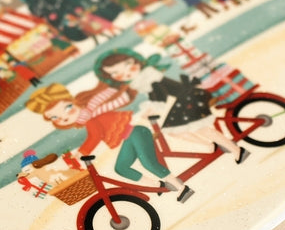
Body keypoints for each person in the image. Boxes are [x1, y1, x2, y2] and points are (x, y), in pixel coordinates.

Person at [25, 83, 193, 201]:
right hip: (129, 138)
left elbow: (95, 136)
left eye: (68, 108)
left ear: (73, 102)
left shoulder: (90, 117)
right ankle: (157, 185)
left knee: (148, 163)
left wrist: (81, 152)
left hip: (137, 132)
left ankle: (181, 188)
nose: (64, 117)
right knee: (121, 168)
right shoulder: (88, 117)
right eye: (55, 117)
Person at [95, 49, 249, 164]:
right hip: (179, 102)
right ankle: (210, 145)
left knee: (199, 128)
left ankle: (237, 150)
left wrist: (153, 108)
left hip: (188, 98)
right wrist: (151, 108)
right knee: (174, 132)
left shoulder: (148, 74)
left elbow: (160, 93)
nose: (125, 73)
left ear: (136, 61)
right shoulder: (138, 81)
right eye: (115, 73)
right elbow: (156, 96)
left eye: (128, 65)